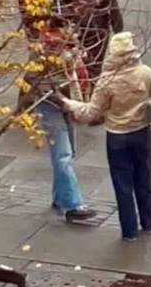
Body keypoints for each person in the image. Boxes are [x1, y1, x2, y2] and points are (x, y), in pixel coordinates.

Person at [60, 31, 151, 242]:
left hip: (117, 136)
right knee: (145, 177)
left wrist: (70, 104)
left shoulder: (107, 82)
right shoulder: (145, 72)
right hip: (142, 131)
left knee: (123, 183)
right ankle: (149, 223)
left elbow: (91, 113)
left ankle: (129, 231)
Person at [19, 22, 97, 224]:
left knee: (66, 153)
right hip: (50, 106)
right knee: (64, 154)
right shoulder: (45, 54)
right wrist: (63, 102)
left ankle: (60, 198)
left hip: (63, 105)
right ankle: (73, 205)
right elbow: (37, 82)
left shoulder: (66, 52)